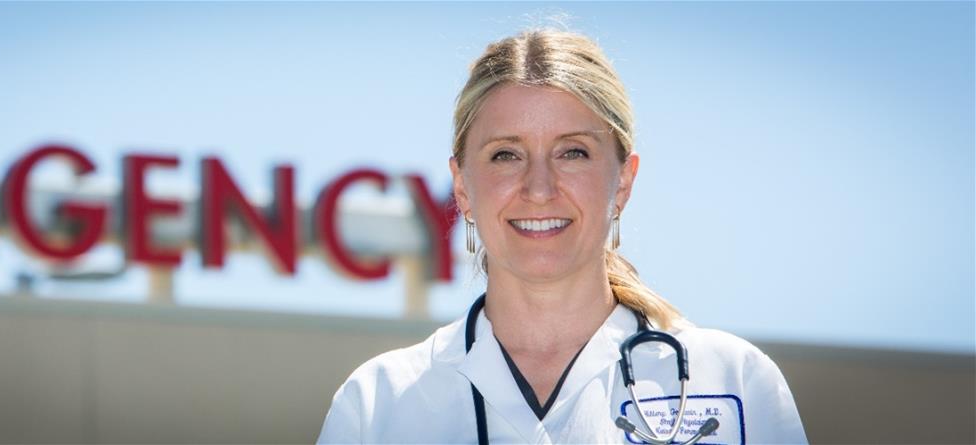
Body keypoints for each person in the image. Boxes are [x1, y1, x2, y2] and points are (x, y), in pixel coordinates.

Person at [317, 29, 808, 444]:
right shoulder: (378, 405)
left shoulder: (735, 383)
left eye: (572, 152)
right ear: (463, 188)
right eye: (506, 154)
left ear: (624, 181)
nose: (539, 188)